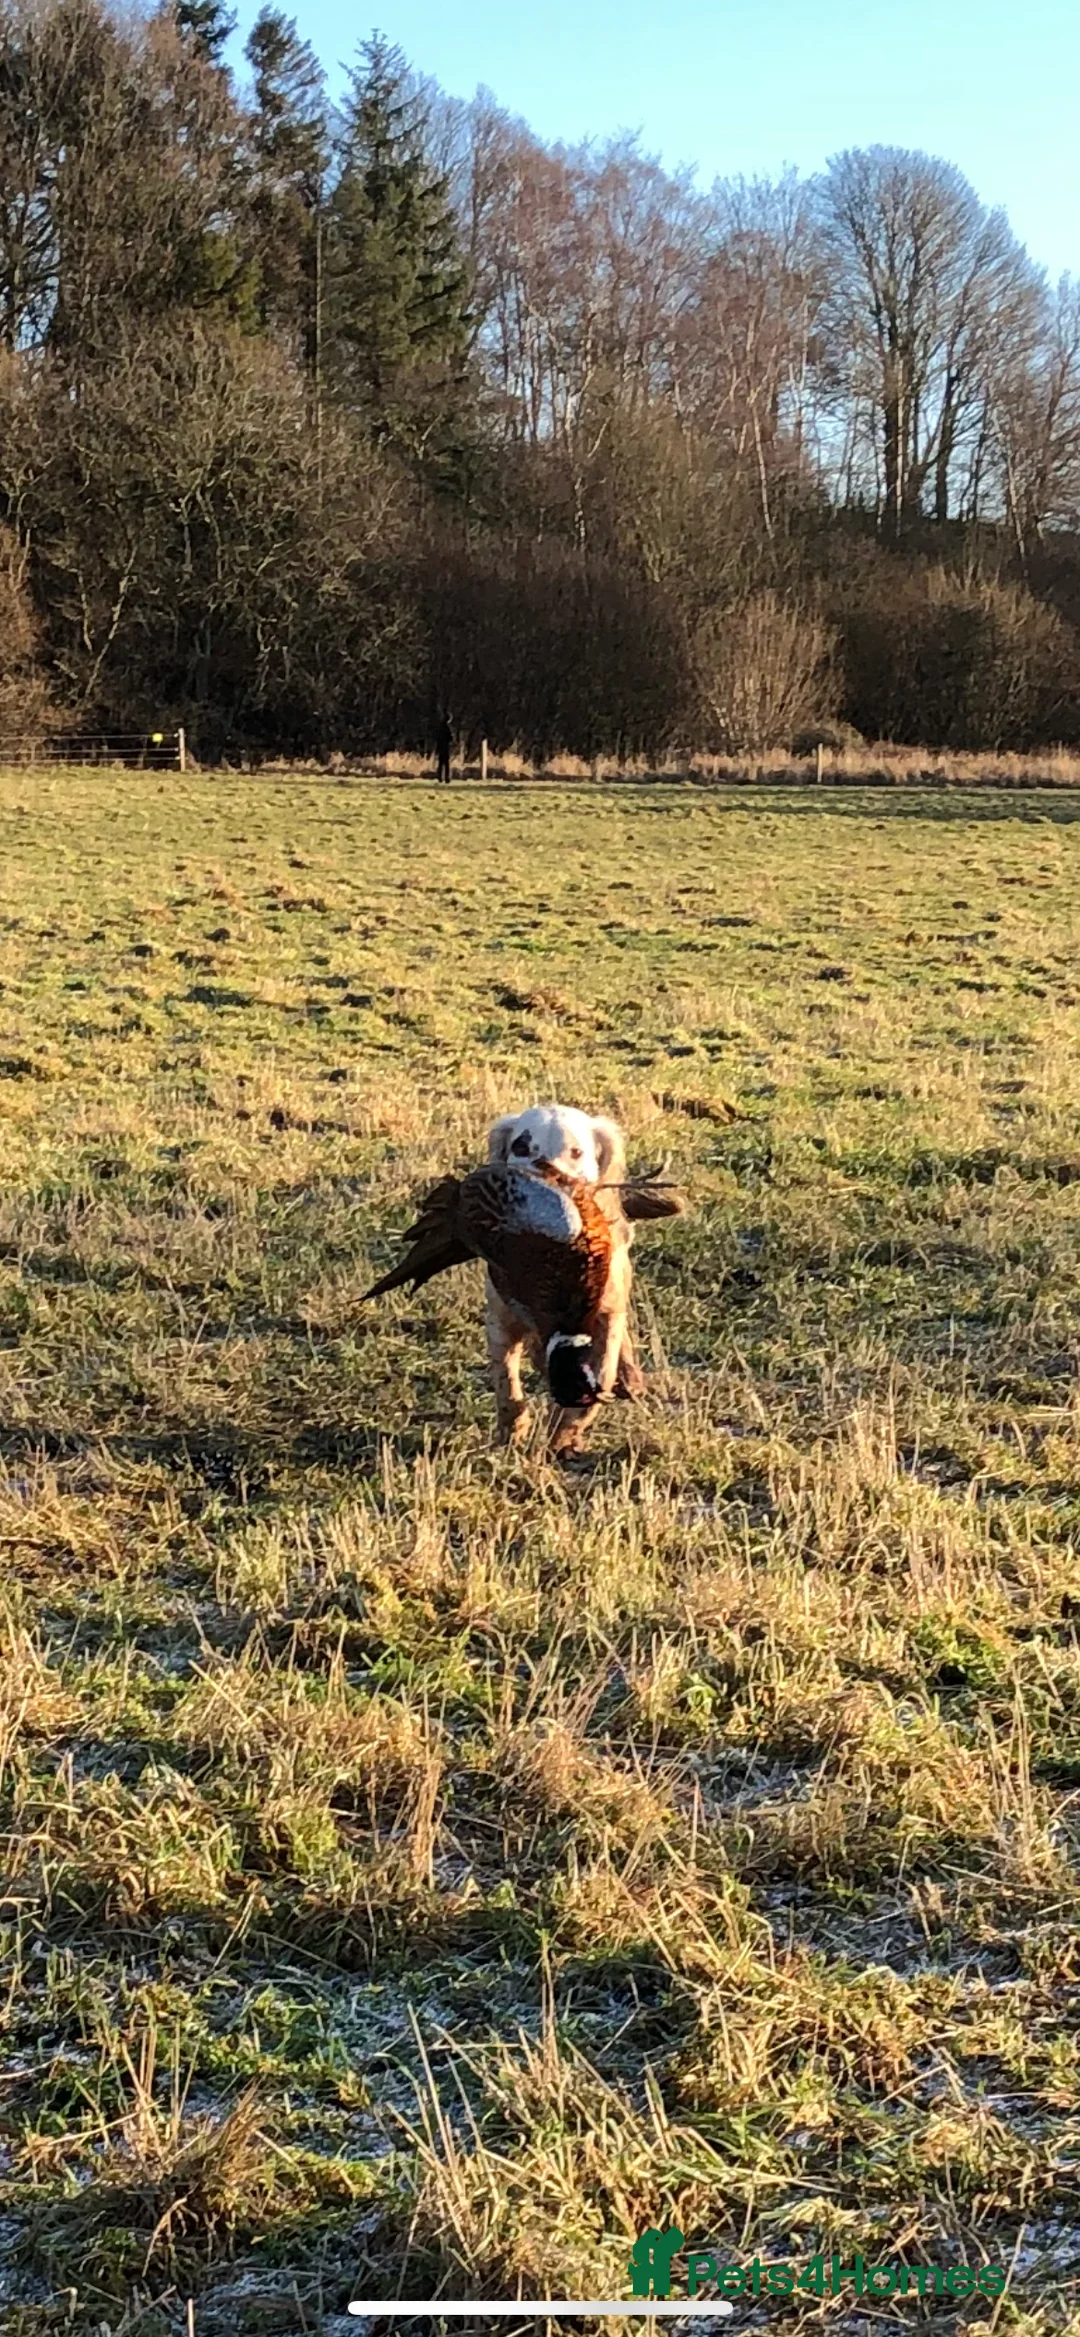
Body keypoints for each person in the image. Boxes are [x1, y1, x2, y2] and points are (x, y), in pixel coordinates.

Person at [435, 713, 453, 784]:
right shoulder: (448, 728)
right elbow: (450, 738)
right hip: (446, 747)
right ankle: (446, 778)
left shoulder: (440, 727)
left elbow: (437, 737)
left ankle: (439, 777)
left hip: (440, 747)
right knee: (446, 764)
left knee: (440, 763)